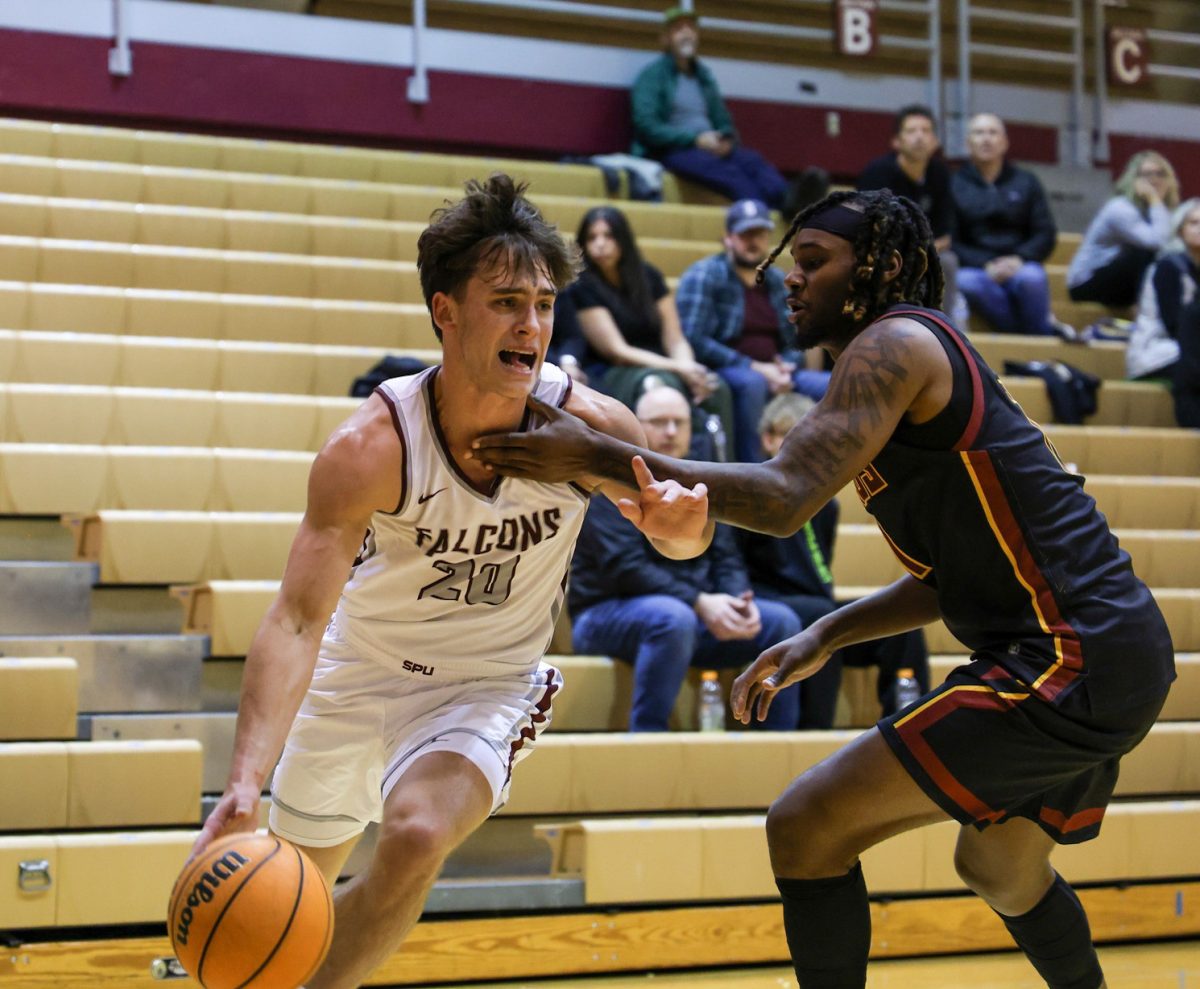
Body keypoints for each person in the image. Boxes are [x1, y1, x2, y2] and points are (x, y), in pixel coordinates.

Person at [473, 188, 1175, 989]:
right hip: (1105, 648)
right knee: (1000, 870)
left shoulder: (897, 343)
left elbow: (782, 496)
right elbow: (951, 579)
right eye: (787, 264)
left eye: (811, 262)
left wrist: (592, 452)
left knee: (806, 825)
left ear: (874, 266)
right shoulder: (898, 363)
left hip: (1068, 652)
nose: (790, 282)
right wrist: (823, 634)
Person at [190, 174, 710, 989]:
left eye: (542, 302)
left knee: (417, 833)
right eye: (506, 300)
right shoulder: (373, 445)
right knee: (274, 903)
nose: (531, 324)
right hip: (356, 675)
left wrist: (683, 530)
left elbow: (683, 532)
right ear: (447, 311)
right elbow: (296, 620)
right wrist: (242, 784)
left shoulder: (591, 427)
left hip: (483, 684)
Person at [569, 385, 802, 731]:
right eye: (659, 422)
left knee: (782, 622)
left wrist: (738, 600)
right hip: (605, 612)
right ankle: (648, 740)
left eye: (679, 422)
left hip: (690, 615)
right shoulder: (609, 478)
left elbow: (726, 555)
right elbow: (625, 569)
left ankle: (778, 744)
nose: (671, 431)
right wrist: (699, 601)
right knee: (672, 619)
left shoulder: (699, 478)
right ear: (636, 425)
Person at [738, 392, 929, 729]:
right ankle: (816, 732)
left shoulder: (827, 503)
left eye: (809, 439)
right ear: (768, 439)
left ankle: (911, 729)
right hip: (771, 604)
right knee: (821, 617)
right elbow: (735, 565)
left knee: (900, 630)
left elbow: (820, 568)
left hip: (814, 603)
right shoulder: (751, 491)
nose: (802, 448)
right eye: (788, 436)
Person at [676, 198, 830, 462]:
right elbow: (695, 338)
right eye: (745, 234)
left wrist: (786, 367)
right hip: (726, 370)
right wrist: (755, 367)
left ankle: (824, 470)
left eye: (759, 234)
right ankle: (752, 471)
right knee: (753, 384)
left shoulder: (777, 280)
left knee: (829, 384)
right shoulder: (704, 274)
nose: (753, 241)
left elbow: (797, 335)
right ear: (728, 238)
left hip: (776, 369)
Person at [569, 204, 734, 447]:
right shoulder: (583, 284)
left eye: (608, 236)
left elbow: (675, 338)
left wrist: (690, 368)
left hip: (662, 361)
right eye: (592, 237)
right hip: (614, 369)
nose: (600, 244)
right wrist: (679, 368)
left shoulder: (649, 276)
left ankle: (721, 469)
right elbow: (617, 351)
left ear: (623, 239)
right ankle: (663, 469)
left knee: (715, 387)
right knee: (658, 385)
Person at [630, 6, 788, 208]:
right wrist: (695, 140)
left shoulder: (704, 76)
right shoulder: (652, 76)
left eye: (691, 28)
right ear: (666, 39)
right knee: (732, 175)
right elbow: (647, 126)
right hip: (674, 149)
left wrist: (726, 140)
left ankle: (791, 203)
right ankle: (760, 215)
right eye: (679, 29)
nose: (687, 34)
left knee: (753, 161)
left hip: (711, 146)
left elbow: (723, 120)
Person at [953, 113, 1070, 338]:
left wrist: (1018, 259)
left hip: (1020, 264)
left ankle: (1037, 339)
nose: (986, 139)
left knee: (1033, 279)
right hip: (977, 268)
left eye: (993, 133)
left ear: (1005, 143)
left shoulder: (1026, 181)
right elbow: (952, 240)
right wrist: (985, 264)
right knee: (965, 281)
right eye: (979, 133)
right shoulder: (954, 183)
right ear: (968, 144)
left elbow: (1045, 233)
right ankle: (1030, 335)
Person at [857, 104, 966, 327]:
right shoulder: (877, 173)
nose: (920, 137)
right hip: (883, 251)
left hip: (926, 253)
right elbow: (869, 227)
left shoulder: (941, 175)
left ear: (935, 141)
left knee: (948, 262)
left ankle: (945, 330)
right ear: (896, 141)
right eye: (911, 131)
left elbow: (946, 232)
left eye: (926, 131)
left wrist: (922, 252)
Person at [1068, 151, 1179, 309]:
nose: (1154, 180)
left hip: (1121, 282)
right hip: (1086, 284)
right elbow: (1159, 242)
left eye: (1161, 174)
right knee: (1145, 253)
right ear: (1133, 180)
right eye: (1147, 174)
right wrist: (1154, 199)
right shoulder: (1120, 208)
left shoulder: (1161, 211)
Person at [1129, 198, 1200, 428]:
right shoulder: (1169, 267)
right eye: (1194, 223)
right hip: (1156, 349)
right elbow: (1175, 325)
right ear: (1180, 231)